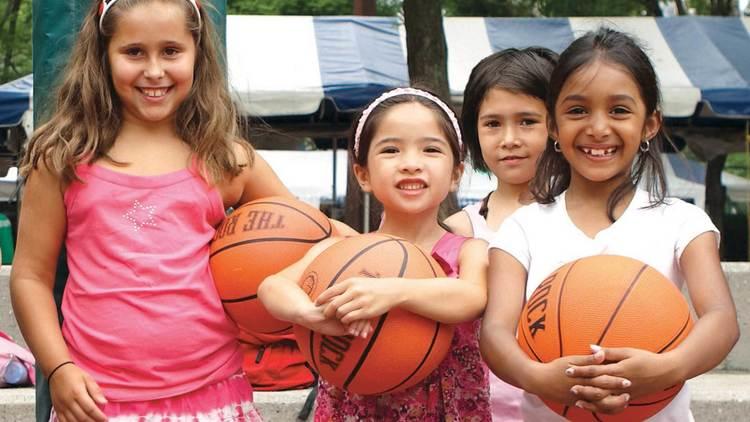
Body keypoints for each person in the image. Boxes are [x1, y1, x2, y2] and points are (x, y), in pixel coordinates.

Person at [9, 0, 296, 420]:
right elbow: (31, 276)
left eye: (171, 51)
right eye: (134, 52)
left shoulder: (224, 158)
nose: (155, 70)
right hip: (100, 403)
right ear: (102, 54)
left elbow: (308, 237)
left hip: (213, 396)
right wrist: (58, 367)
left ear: (198, 53)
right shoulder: (63, 158)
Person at [481, 27, 739, 421]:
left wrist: (669, 367)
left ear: (650, 124)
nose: (598, 128)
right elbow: (496, 334)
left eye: (619, 110)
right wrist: (537, 376)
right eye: (577, 110)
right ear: (553, 124)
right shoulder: (522, 228)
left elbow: (721, 319)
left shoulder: (683, 222)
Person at [258, 87, 491, 421]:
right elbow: (272, 287)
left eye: (430, 149)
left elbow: (471, 297)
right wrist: (308, 314)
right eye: (391, 150)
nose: (411, 164)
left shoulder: (469, 250)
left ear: (455, 173)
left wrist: (393, 291)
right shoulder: (342, 250)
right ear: (362, 174)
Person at [444, 47, 557, 421]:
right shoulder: (460, 229)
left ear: (557, 125)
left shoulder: (577, 219)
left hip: (562, 406)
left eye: (527, 121)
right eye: (492, 123)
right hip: (481, 410)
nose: (509, 138)